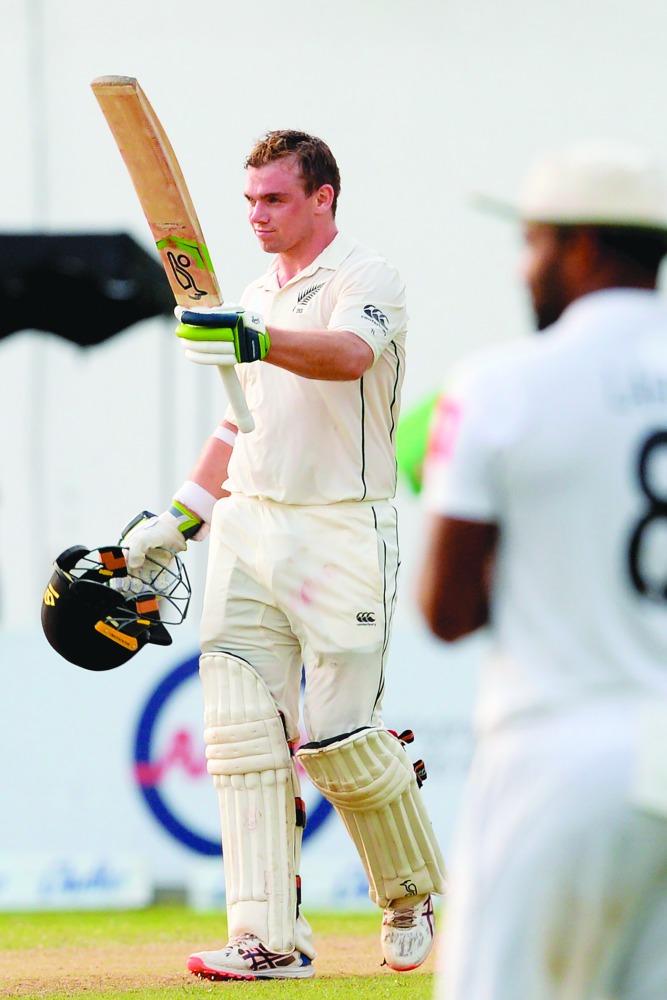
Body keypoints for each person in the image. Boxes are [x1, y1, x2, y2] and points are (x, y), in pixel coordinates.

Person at [123, 130, 445, 981]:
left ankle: (409, 890)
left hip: (342, 527)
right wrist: (182, 517)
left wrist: (253, 336)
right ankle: (268, 938)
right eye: (250, 201)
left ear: (321, 198)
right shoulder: (255, 296)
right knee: (237, 735)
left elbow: (349, 357)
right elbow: (242, 420)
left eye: (274, 199)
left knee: (336, 738)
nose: (257, 216)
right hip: (251, 525)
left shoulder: (364, 278)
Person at [417, 141, 667, 1000]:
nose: (526, 269)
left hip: (555, 755)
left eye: (534, 245)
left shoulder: (502, 383)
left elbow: (444, 611)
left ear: (583, 248)